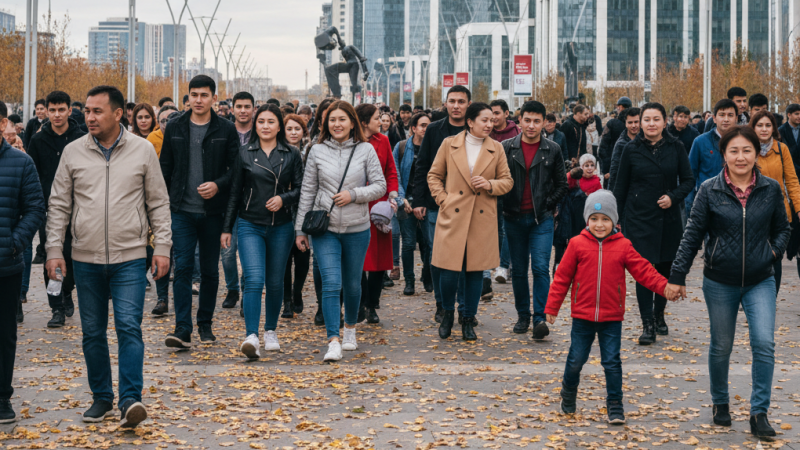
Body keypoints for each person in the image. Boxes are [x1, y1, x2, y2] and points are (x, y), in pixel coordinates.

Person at [45, 85, 171, 428]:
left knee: (129, 326)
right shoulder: (73, 152)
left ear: (118, 114)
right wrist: (54, 249)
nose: (89, 117)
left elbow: (158, 202)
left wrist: (162, 247)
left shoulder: (143, 151)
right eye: (86, 111)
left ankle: (131, 399)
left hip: (130, 256)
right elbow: (59, 204)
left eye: (97, 111)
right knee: (92, 332)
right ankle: (102, 397)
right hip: (85, 258)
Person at [666, 126, 790, 440]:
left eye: (747, 150)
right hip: (720, 280)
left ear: (756, 153)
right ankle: (720, 402)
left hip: (761, 279)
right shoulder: (710, 189)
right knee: (722, 346)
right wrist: (677, 276)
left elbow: (783, 228)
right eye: (733, 151)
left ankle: (759, 412)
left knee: (764, 343)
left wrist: (772, 253)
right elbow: (692, 233)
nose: (740, 157)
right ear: (724, 155)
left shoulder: (771, 189)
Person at [548, 189, 674, 424]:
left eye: (606, 219)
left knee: (612, 363)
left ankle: (615, 404)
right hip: (582, 317)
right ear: (587, 220)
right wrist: (552, 307)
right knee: (576, 359)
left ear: (614, 221)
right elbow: (562, 277)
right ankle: (568, 389)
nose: (599, 224)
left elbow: (644, 271)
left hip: (611, 318)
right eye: (594, 219)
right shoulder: (576, 245)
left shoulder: (623, 246)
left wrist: (665, 286)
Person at [294, 100, 387, 362]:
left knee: (353, 284)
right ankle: (332, 339)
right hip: (325, 229)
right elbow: (308, 192)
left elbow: (380, 186)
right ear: (325, 123)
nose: (337, 124)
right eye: (332, 120)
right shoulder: (316, 150)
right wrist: (300, 230)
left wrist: (354, 195)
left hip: (358, 228)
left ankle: (350, 330)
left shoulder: (366, 150)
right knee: (331, 283)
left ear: (352, 122)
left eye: (342, 119)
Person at [159, 75, 240, 348]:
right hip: (181, 209)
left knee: (209, 270)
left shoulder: (226, 129)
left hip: (212, 212)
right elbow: (165, 170)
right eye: (194, 94)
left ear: (214, 98)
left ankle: (205, 323)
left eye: (204, 95)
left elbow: (235, 172)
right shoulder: (175, 126)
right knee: (181, 268)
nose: (198, 100)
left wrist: (218, 185)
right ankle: (183, 328)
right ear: (188, 97)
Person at [221, 104, 304, 359]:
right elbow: (235, 192)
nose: (265, 126)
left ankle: (270, 330)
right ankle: (251, 336)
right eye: (261, 122)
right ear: (255, 125)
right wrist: (227, 228)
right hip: (249, 223)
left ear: (280, 126)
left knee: (276, 281)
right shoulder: (245, 153)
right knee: (254, 279)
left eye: (271, 122)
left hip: (281, 225)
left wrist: (284, 199)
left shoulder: (291, 154)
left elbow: (302, 189)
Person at [428, 102, 513, 341]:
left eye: (491, 120)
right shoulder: (450, 144)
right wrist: (443, 199)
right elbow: (434, 175)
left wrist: (490, 185)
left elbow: (507, 181)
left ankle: (468, 318)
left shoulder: (496, 148)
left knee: (475, 271)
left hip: (482, 217)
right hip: (452, 214)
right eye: (484, 120)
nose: (490, 124)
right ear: (470, 121)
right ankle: (446, 313)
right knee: (448, 270)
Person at [612, 102, 694, 345]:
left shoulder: (676, 147)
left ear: (664, 121)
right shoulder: (630, 149)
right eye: (646, 119)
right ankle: (647, 323)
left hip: (669, 219)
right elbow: (620, 187)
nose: (650, 124)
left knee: (666, 271)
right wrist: (615, 219)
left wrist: (673, 197)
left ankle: (659, 314)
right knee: (644, 273)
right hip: (639, 220)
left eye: (656, 119)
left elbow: (689, 180)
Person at [500, 101, 568, 337]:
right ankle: (522, 316)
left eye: (537, 121)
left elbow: (562, 184)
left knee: (540, 268)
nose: (531, 125)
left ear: (544, 123)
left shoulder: (553, 149)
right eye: (527, 120)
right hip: (513, 217)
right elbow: (498, 180)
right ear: (519, 121)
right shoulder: (506, 147)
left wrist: (548, 204)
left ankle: (540, 318)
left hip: (542, 219)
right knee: (518, 270)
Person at [0, 99, 45, 423]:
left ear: (3, 124)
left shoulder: (20, 163)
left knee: (4, 334)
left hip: (5, 263)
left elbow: (34, 209)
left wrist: (14, 243)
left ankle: (2, 397)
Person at [26, 90, 87, 328]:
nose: (57, 114)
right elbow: (32, 173)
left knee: (72, 257)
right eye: (52, 110)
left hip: (79, 207)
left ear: (69, 110)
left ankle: (67, 290)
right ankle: (57, 307)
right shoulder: (39, 140)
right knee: (52, 254)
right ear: (46, 111)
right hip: (48, 208)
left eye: (61, 109)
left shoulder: (81, 137)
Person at [413, 85, 471, 323]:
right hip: (437, 203)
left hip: (468, 204)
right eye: (452, 101)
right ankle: (442, 304)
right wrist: (418, 200)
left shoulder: (475, 128)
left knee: (466, 259)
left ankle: (465, 307)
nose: (456, 106)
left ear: (468, 104)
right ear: (445, 103)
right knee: (439, 256)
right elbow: (423, 166)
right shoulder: (435, 130)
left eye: (461, 101)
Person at [355, 104, 399, 324]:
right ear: (363, 122)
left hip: (379, 208)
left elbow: (391, 170)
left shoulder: (383, 141)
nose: (380, 122)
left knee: (378, 262)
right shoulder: (351, 141)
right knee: (359, 260)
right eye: (375, 118)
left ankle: (372, 305)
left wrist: (393, 196)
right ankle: (361, 302)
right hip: (354, 204)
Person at [749, 110, 800, 293]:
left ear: (774, 128)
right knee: (753, 256)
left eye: (768, 125)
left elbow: (792, 181)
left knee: (774, 257)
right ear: (753, 127)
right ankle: (751, 295)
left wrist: (799, 207)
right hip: (752, 211)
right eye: (760, 125)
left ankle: (771, 297)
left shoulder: (781, 149)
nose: (764, 129)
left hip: (778, 212)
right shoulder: (747, 148)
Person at [219, 91, 256, 311]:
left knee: (248, 251)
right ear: (232, 109)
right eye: (239, 106)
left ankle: (245, 293)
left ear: (254, 108)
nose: (243, 110)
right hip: (226, 199)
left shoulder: (259, 133)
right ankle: (232, 288)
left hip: (252, 200)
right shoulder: (224, 131)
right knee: (227, 252)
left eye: (247, 106)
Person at [394, 112, 432, 296]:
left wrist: (423, 201)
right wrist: (401, 198)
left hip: (427, 202)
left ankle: (428, 275)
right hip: (405, 202)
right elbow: (395, 175)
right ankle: (409, 281)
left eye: (428, 125)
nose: (426, 129)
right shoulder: (401, 147)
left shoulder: (435, 148)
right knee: (408, 243)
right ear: (414, 128)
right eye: (422, 125)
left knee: (428, 242)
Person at [282, 114, 311, 317]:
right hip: (283, 210)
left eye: (297, 128)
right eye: (289, 128)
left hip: (305, 210)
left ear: (303, 131)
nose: (293, 132)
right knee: (283, 260)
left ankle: (297, 291)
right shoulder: (278, 151)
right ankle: (286, 301)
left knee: (302, 259)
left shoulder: (311, 151)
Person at [687, 99, 738, 213]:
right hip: (707, 205)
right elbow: (690, 176)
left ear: (736, 119)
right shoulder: (700, 142)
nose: (726, 119)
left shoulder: (743, 143)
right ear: (714, 118)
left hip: (736, 205)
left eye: (730, 115)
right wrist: (690, 206)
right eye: (721, 115)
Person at [597, 97, 632, 187]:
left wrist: (605, 170)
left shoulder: (612, 123)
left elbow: (602, 148)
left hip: (612, 167)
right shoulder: (637, 124)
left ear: (620, 107)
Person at [778, 103, 800, 173]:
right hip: (789, 169)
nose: (799, 116)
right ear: (789, 115)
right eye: (796, 114)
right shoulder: (781, 131)